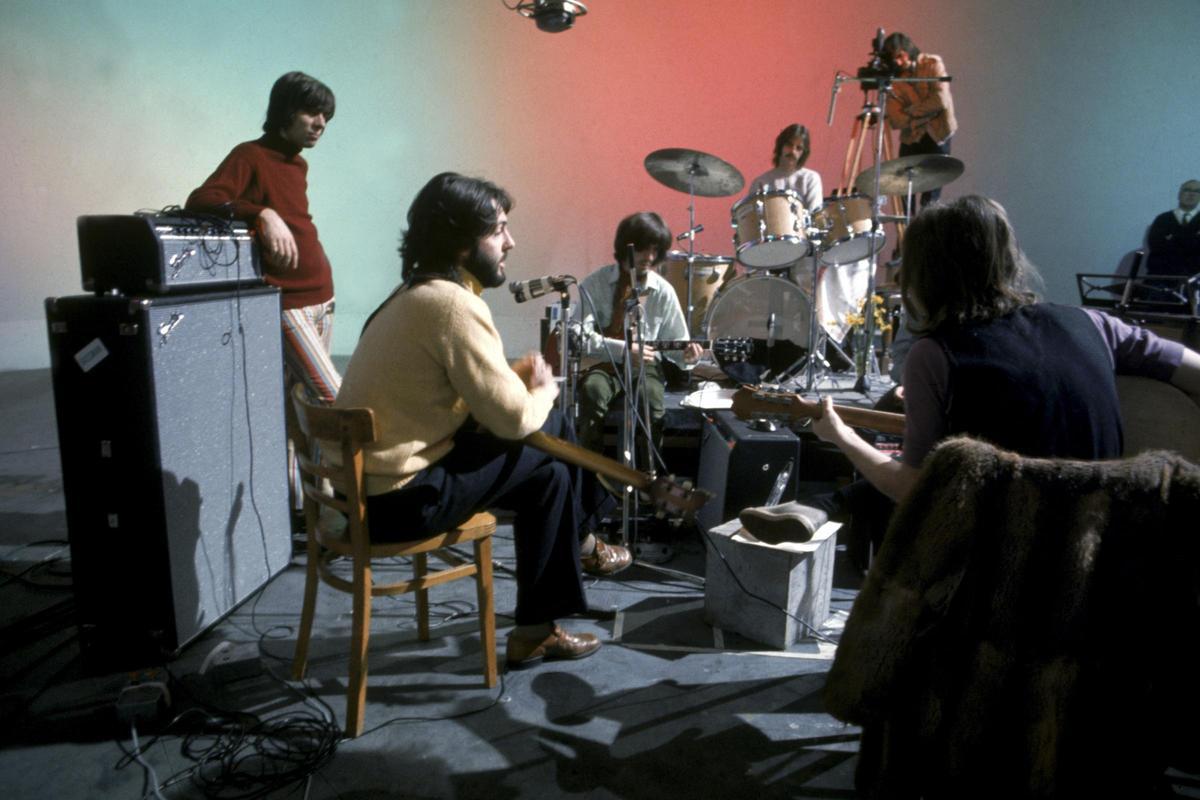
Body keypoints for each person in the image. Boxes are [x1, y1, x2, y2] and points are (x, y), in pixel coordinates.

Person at [741, 195, 1200, 546]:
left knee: (904, 485)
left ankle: (823, 508)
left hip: (1002, 559)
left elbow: (913, 488)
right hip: (1106, 548)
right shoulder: (1094, 324)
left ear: (926, 274)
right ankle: (820, 507)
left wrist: (841, 437)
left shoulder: (935, 355)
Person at [334, 172, 630, 668]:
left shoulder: (410, 295)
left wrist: (515, 385)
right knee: (550, 423)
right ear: (460, 241)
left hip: (365, 494)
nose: (510, 241)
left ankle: (536, 630)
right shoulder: (453, 306)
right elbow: (514, 421)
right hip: (401, 501)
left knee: (551, 477)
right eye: (498, 231)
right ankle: (586, 540)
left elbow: (465, 401)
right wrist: (543, 388)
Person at [186, 71, 342, 405]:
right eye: (312, 113)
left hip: (322, 294)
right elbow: (201, 200)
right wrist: (262, 213)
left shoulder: (298, 164)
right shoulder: (250, 155)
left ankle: (303, 462)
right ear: (286, 111)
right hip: (288, 299)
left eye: (326, 116)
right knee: (333, 399)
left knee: (300, 407)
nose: (321, 123)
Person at [575, 212, 702, 461]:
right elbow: (577, 335)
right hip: (604, 365)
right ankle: (590, 469)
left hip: (646, 367)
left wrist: (689, 356)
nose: (650, 258)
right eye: (644, 249)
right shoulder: (595, 283)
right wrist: (621, 349)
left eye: (656, 251)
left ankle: (648, 475)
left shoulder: (663, 291)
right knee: (592, 391)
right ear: (626, 247)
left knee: (651, 402)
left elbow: (678, 343)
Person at [881, 33, 957, 210]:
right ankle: (906, 234)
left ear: (908, 50)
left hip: (937, 134)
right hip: (912, 137)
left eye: (900, 56)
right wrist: (925, 112)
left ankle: (926, 233)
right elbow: (895, 119)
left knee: (930, 198)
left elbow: (940, 101)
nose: (899, 62)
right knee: (904, 193)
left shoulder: (932, 63)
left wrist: (912, 112)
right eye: (894, 59)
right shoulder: (895, 78)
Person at [747, 123, 823, 214]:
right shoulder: (761, 182)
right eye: (789, 145)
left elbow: (815, 214)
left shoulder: (811, 178)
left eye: (799, 148)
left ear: (804, 153)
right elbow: (751, 219)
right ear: (780, 146)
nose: (793, 151)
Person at [1145, 179, 1200, 279]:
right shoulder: (1162, 219)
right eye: (1187, 190)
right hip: (1161, 278)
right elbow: (1157, 248)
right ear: (1179, 194)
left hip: (1194, 281)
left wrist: (1172, 238)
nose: (1191, 194)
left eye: (1197, 191)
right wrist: (1194, 240)